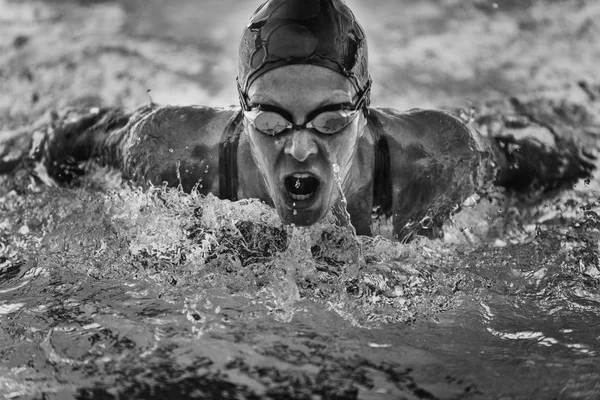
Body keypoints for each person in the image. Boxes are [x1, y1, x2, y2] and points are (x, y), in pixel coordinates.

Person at [0, 0, 595, 241]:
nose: (303, 149)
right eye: (271, 119)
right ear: (241, 110)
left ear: (364, 110)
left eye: (331, 119)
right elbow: (72, 139)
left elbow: (536, 159)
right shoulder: (173, 152)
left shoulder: (434, 158)